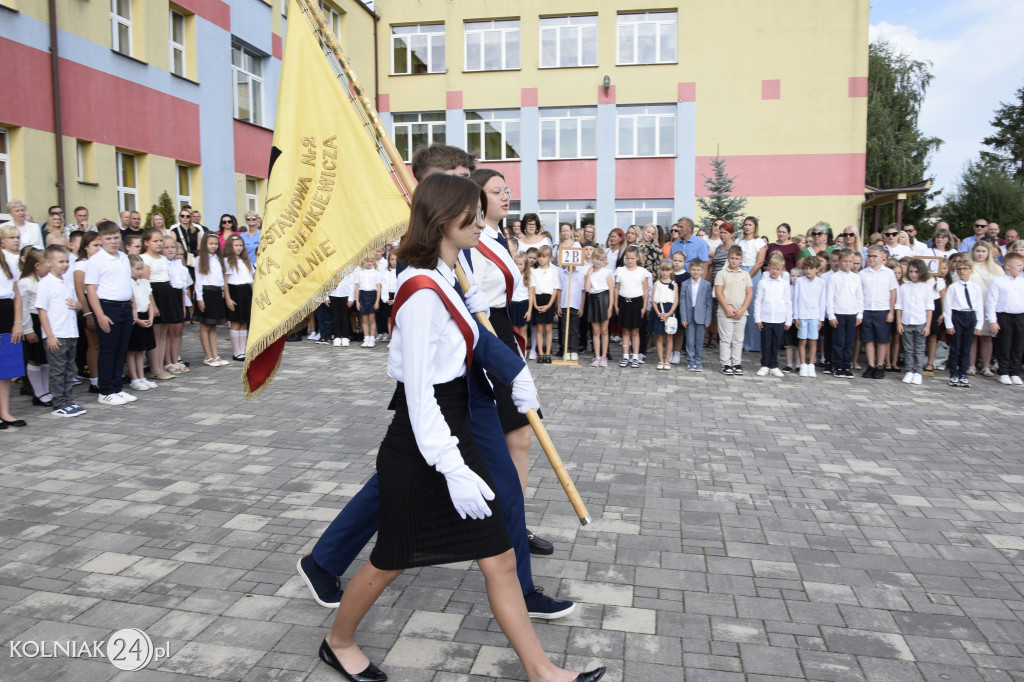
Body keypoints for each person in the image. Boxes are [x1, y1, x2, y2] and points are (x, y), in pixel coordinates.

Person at [315, 173, 604, 682]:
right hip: (421, 444)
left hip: (455, 433)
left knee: (501, 559)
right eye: (470, 214)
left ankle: (541, 671)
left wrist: (516, 376)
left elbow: (472, 341)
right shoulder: (422, 289)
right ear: (442, 219)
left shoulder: (446, 277)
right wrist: (451, 466)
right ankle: (338, 641)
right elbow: (420, 393)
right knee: (390, 560)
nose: (480, 222)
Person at [84, 221, 138, 405]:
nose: (113, 242)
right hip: (108, 308)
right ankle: (105, 391)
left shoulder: (123, 257)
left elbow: (126, 284)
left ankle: (117, 388)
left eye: (116, 237)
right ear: (100, 239)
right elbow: (91, 290)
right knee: (108, 350)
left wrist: (133, 307)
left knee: (121, 349)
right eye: (108, 239)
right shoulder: (96, 260)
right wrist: (99, 315)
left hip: (125, 307)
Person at [36, 245, 85, 417]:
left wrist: (78, 306)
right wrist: (49, 336)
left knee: (69, 370)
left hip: (71, 333)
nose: (65, 265)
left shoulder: (67, 282)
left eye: (66, 261)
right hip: (56, 335)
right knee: (57, 370)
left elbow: (77, 305)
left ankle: (68, 400)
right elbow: (42, 311)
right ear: (48, 262)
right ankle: (59, 403)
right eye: (61, 261)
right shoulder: (45, 284)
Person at [17, 248, 52, 406]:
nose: (50, 265)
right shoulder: (25, 282)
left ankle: (45, 390)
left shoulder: (45, 280)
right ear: (37, 265)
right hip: (33, 321)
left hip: (44, 320)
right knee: (34, 358)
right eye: (47, 263)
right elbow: (23, 308)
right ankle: (38, 393)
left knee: (44, 358)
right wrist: (28, 330)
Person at [140, 228, 177, 381]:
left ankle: (160, 366)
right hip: (154, 294)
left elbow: (166, 277)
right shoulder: (144, 258)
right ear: (146, 243)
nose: (159, 243)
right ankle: (154, 368)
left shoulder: (162, 258)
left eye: (160, 240)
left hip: (165, 293)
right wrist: (152, 305)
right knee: (155, 334)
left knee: (163, 333)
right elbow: (144, 282)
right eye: (155, 241)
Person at [859, 244, 898, 379]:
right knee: (868, 339)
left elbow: (893, 293)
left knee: (882, 339)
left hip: (882, 310)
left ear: (882, 257)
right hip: (867, 309)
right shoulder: (863, 273)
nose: (871, 259)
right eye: (869, 256)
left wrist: (891, 312)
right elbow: (860, 294)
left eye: (874, 256)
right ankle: (871, 365)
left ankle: (880, 365)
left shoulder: (889, 273)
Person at [0, 226, 26, 429]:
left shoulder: (8, 263)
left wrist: (18, 322)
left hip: (7, 314)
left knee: (6, 368)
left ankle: (5, 412)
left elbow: (17, 296)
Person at [944, 260, 984, 387]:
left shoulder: (975, 288)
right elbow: (948, 306)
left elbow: (979, 306)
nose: (962, 271)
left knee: (966, 348)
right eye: (959, 269)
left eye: (965, 269)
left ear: (971, 270)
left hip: (970, 315)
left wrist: (979, 325)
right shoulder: (953, 287)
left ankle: (963, 373)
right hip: (957, 315)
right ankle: (953, 374)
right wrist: (949, 324)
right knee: (955, 347)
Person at [986, 252, 1024, 385]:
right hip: (1004, 316)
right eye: (1018, 265)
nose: (1021, 267)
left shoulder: (1022, 281)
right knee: (1005, 344)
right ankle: (1004, 372)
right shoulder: (998, 282)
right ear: (1008, 266)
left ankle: (1015, 371)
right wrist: (992, 320)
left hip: (1020, 316)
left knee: (1018, 345)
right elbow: (991, 302)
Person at [715, 245, 753, 375]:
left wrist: (743, 309)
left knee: (738, 339)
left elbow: (749, 293)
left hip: (741, 311)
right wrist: (727, 308)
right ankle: (725, 363)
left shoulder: (745, 274)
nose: (734, 261)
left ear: (741, 259)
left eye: (737, 258)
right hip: (725, 311)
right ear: (728, 258)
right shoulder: (722, 273)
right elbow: (719, 292)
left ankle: (736, 363)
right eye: (732, 258)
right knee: (726, 339)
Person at [824, 250, 862, 379]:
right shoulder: (834, 277)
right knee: (838, 341)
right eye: (845, 261)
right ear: (839, 262)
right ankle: (838, 365)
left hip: (852, 313)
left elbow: (859, 297)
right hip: (839, 313)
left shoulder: (856, 277)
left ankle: (847, 366)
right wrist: (831, 315)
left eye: (850, 261)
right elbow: (830, 297)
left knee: (849, 341)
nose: (847, 264)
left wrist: (859, 314)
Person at [896, 259, 934, 385]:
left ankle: (918, 372)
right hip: (906, 321)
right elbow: (899, 306)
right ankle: (909, 370)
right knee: (908, 349)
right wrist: (899, 323)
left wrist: (928, 325)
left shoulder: (926, 288)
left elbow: (929, 307)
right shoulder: (903, 287)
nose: (913, 274)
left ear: (922, 272)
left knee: (919, 348)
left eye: (916, 272)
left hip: (920, 321)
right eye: (911, 271)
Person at [754, 253, 792, 377]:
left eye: (777, 269)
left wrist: (788, 320)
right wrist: (757, 318)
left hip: (779, 318)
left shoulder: (784, 284)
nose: (774, 271)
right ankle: (765, 364)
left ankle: (774, 365)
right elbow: (758, 301)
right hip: (765, 317)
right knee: (766, 342)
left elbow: (787, 301)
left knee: (776, 342)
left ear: (781, 270)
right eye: (772, 268)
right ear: (768, 268)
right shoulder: (763, 283)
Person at [194, 233, 229, 367]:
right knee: (205, 325)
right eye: (210, 243)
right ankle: (208, 356)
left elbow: (220, 279)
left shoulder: (217, 258)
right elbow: (199, 280)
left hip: (216, 293)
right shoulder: (200, 259)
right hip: (206, 292)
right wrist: (200, 298)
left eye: (215, 244)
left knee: (213, 325)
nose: (213, 246)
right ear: (205, 244)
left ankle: (215, 355)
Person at [125, 254, 158, 392]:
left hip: (145, 317)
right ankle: (134, 378)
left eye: (142, 268)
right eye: (137, 269)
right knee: (132, 350)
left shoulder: (144, 282)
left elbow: (149, 302)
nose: (140, 271)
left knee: (141, 350)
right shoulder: (127, 283)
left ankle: (141, 376)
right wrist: (137, 320)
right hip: (134, 319)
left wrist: (151, 317)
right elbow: (129, 304)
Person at [73, 232, 101, 391]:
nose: (98, 249)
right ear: (85, 247)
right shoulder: (81, 265)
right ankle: (94, 380)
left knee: (104, 343)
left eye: (100, 245)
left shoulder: (100, 262)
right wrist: (87, 313)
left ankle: (104, 375)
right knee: (94, 344)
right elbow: (79, 291)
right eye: (95, 246)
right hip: (88, 304)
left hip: (101, 300)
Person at [613, 245, 647, 368]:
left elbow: (646, 291)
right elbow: (616, 289)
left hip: (637, 304)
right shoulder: (620, 270)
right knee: (625, 332)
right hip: (623, 303)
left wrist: (644, 307)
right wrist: (616, 304)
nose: (630, 260)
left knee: (635, 332)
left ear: (637, 258)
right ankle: (626, 356)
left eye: (632, 258)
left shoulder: (642, 271)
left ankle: (635, 357)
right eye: (627, 258)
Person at [794, 255, 827, 377]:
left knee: (813, 341)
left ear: (817, 269)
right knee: (802, 340)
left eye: (811, 268)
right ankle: (803, 364)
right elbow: (796, 300)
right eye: (806, 268)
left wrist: (821, 319)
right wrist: (796, 317)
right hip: (802, 315)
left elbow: (822, 301)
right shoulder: (799, 282)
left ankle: (811, 364)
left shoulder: (821, 283)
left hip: (814, 315)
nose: (808, 271)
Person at [223, 234, 255, 361]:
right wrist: (228, 298)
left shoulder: (247, 261)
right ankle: (237, 352)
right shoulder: (228, 262)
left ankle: (243, 350)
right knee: (235, 322)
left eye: (241, 245)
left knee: (244, 323)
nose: (238, 248)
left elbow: (252, 280)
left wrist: (254, 296)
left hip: (246, 292)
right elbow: (225, 282)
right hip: (234, 291)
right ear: (230, 247)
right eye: (236, 245)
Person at [738, 217, 766, 352]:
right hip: (740, 271)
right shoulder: (739, 241)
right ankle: (741, 342)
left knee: (753, 307)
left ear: (755, 227)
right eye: (746, 224)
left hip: (753, 274)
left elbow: (760, 262)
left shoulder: (759, 242)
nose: (747, 227)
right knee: (741, 306)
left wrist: (747, 277)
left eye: (750, 225)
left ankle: (753, 343)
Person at [680, 257, 712, 372]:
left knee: (699, 340)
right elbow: (682, 301)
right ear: (689, 269)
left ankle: (698, 361)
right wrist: (683, 317)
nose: (695, 272)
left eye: (698, 270)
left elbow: (709, 303)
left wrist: (708, 319)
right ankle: (690, 360)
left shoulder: (706, 285)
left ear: (702, 271)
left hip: (701, 315)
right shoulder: (685, 284)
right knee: (690, 339)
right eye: (693, 269)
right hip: (689, 314)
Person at [164, 240, 191, 373]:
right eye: (167, 247)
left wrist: (183, 304)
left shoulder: (178, 265)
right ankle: (168, 361)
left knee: (177, 331)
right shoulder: (164, 264)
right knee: (169, 331)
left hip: (178, 296)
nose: (170, 250)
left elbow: (182, 288)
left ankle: (175, 359)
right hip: (168, 295)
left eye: (172, 247)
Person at [529, 245, 559, 363]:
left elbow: (555, 289)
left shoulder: (553, 272)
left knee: (549, 328)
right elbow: (532, 289)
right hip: (538, 299)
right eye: (539, 257)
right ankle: (540, 353)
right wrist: (535, 305)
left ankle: (548, 353)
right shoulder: (534, 272)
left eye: (544, 257)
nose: (541, 259)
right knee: (539, 329)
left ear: (549, 258)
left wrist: (549, 305)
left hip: (549, 300)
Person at [583, 249, 612, 368]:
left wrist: (610, 307)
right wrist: (589, 274)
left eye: (601, 259)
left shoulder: (607, 272)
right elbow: (587, 289)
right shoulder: (589, 272)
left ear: (604, 261)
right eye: (596, 258)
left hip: (604, 299)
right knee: (595, 331)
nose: (598, 261)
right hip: (593, 300)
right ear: (593, 258)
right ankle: (597, 356)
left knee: (604, 330)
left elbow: (611, 290)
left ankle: (604, 356)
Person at [648, 260, 679, 370]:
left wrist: (669, 314)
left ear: (671, 271)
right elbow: (653, 301)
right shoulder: (656, 284)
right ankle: (660, 360)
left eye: (667, 270)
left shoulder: (674, 284)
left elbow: (675, 301)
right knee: (660, 337)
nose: (665, 273)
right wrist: (659, 314)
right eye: (663, 270)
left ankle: (667, 361)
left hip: (670, 311)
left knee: (669, 337)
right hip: (659, 311)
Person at [556, 258, 585, 361]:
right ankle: (566, 350)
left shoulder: (581, 274)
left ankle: (574, 350)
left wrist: (581, 306)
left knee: (575, 329)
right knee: (565, 329)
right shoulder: (562, 274)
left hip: (576, 305)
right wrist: (558, 305)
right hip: (564, 304)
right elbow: (559, 290)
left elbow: (583, 291)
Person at [354, 256, 381, 347]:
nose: (369, 263)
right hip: (362, 295)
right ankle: (366, 338)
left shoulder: (376, 273)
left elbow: (378, 288)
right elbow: (357, 287)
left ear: (374, 262)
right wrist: (357, 301)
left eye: (371, 261)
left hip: (372, 295)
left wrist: (377, 301)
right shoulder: (360, 272)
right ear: (364, 261)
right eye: (367, 261)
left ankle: (372, 338)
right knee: (364, 319)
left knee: (372, 319)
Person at [329, 270, 354, 348]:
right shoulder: (330, 267)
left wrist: (351, 298)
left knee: (345, 317)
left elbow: (352, 283)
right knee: (335, 317)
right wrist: (326, 297)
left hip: (345, 295)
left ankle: (345, 337)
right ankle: (337, 336)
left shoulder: (348, 268)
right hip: (333, 294)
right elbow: (326, 282)